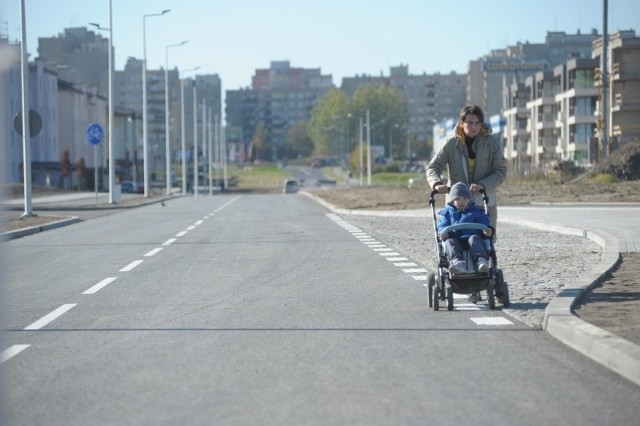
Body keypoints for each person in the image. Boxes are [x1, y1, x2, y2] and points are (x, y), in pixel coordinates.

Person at [426, 104, 507, 231]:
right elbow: (433, 166)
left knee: (486, 239)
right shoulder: (451, 143)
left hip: (483, 201)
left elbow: (500, 171)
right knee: (454, 238)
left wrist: (483, 184)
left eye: (477, 123)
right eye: (469, 122)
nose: (474, 127)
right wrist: (436, 183)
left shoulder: (491, 143)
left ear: (481, 124)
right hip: (457, 202)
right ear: (461, 123)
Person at [437, 182, 493, 274]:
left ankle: (481, 261)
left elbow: (485, 222)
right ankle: (457, 263)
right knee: (449, 242)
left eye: (464, 198)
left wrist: (487, 231)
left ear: (469, 200)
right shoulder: (447, 213)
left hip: (473, 239)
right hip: (455, 239)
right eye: (458, 199)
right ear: (452, 201)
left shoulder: (476, 212)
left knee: (474, 239)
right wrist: (443, 234)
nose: (461, 201)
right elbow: (442, 225)